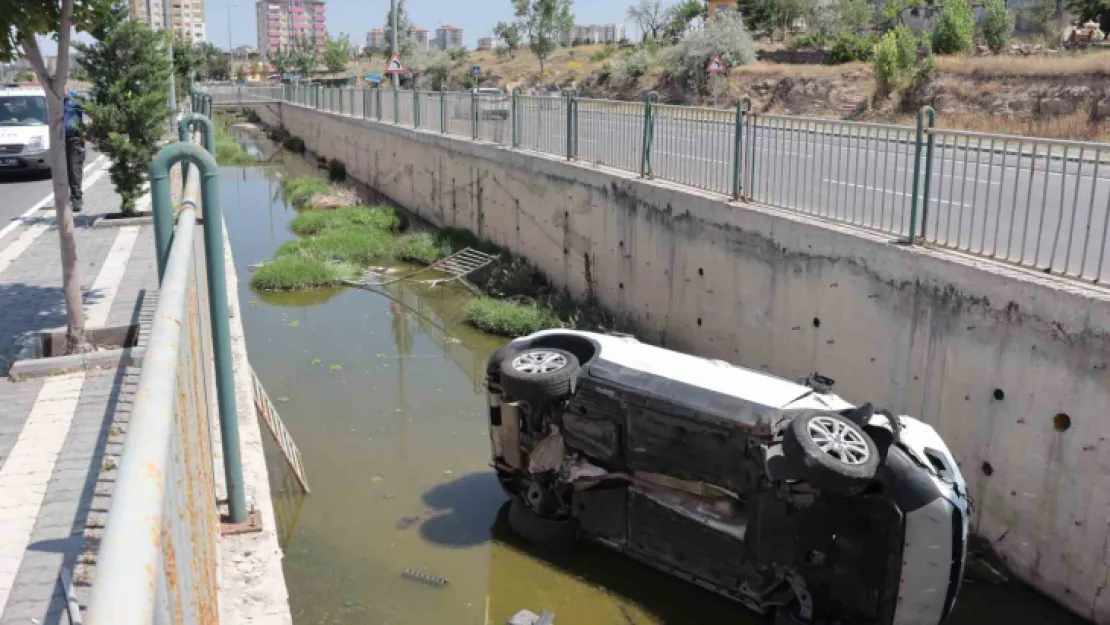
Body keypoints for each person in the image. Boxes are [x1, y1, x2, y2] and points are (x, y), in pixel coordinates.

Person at [63, 89, 86, 212]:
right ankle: (63, 198)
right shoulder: (52, 99)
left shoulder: (75, 98)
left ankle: (76, 199)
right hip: (58, 139)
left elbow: (90, 112)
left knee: (74, 168)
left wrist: (86, 133)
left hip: (74, 137)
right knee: (62, 170)